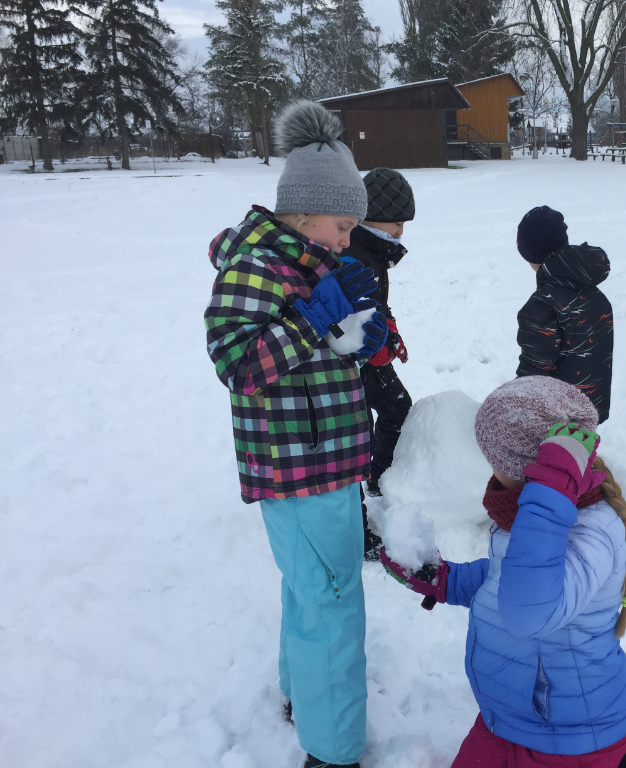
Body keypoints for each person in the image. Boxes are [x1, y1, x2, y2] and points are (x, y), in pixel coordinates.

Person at [379, 377, 626, 768]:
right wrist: (446, 580)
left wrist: (548, 495)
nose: (488, 469)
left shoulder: (591, 530)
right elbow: (506, 579)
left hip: (574, 735)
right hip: (506, 719)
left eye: (493, 458)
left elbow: (529, 612)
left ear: (523, 467)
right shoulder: (527, 513)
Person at [204, 100, 388, 768]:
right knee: (334, 606)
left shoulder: (304, 262)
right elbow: (238, 364)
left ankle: (303, 696)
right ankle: (332, 749)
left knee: (308, 588)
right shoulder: (256, 268)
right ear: (306, 211)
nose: (346, 239)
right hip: (303, 466)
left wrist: (366, 332)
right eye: (343, 225)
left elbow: (318, 352)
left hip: (321, 460)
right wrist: (313, 319)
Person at [341, 167, 416, 558]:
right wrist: (377, 344)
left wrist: (389, 327)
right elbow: (350, 315)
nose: (401, 231)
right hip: (351, 361)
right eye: (397, 222)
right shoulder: (354, 252)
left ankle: (381, 476)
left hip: (370, 355)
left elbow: (375, 304)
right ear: (369, 215)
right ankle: (355, 530)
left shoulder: (372, 248)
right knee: (356, 435)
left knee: (397, 408)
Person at [515, 206, 614, 423]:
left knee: (562, 456)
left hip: (558, 419)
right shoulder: (592, 290)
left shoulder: (543, 305)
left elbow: (534, 374)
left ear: (529, 252)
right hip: (591, 407)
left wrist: (518, 410)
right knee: (581, 452)